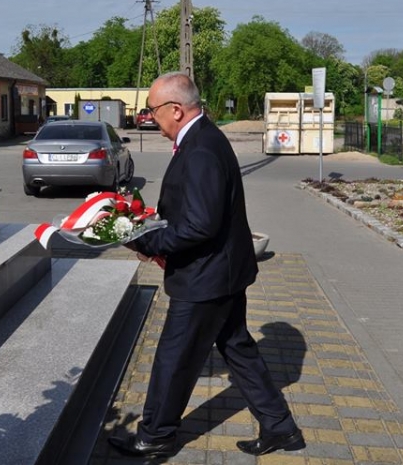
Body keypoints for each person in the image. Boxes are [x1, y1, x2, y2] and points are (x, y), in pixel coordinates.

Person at [108, 72, 304, 458]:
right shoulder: (204, 137)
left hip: (206, 278)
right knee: (237, 349)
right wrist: (153, 223)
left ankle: (155, 435)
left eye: (152, 110)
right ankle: (281, 428)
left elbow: (199, 225)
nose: (150, 118)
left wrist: (145, 240)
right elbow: (197, 212)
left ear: (175, 110)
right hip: (222, 272)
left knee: (174, 358)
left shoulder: (200, 149)